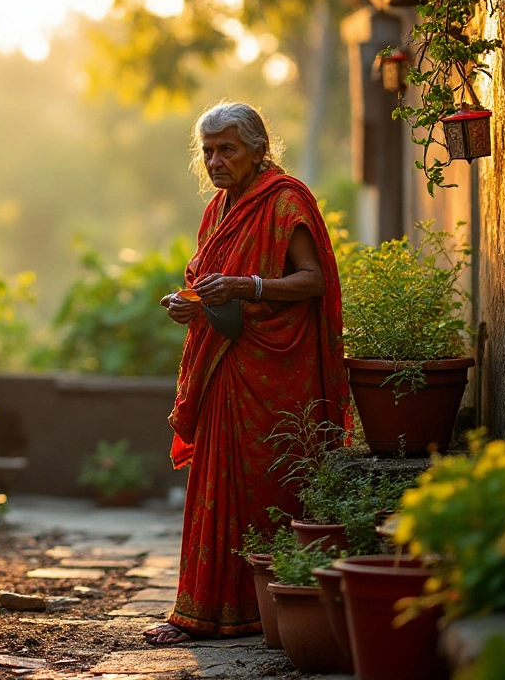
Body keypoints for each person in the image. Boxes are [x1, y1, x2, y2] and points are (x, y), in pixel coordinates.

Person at [143, 101, 349, 645]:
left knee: (268, 484)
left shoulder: (285, 202)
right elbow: (215, 283)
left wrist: (248, 287)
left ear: (259, 149)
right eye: (207, 151)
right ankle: (205, 610)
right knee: (216, 483)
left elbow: (313, 281)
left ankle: (271, 609)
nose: (214, 160)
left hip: (277, 370)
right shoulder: (218, 210)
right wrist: (193, 304)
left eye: (226, 149)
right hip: (226, 364)